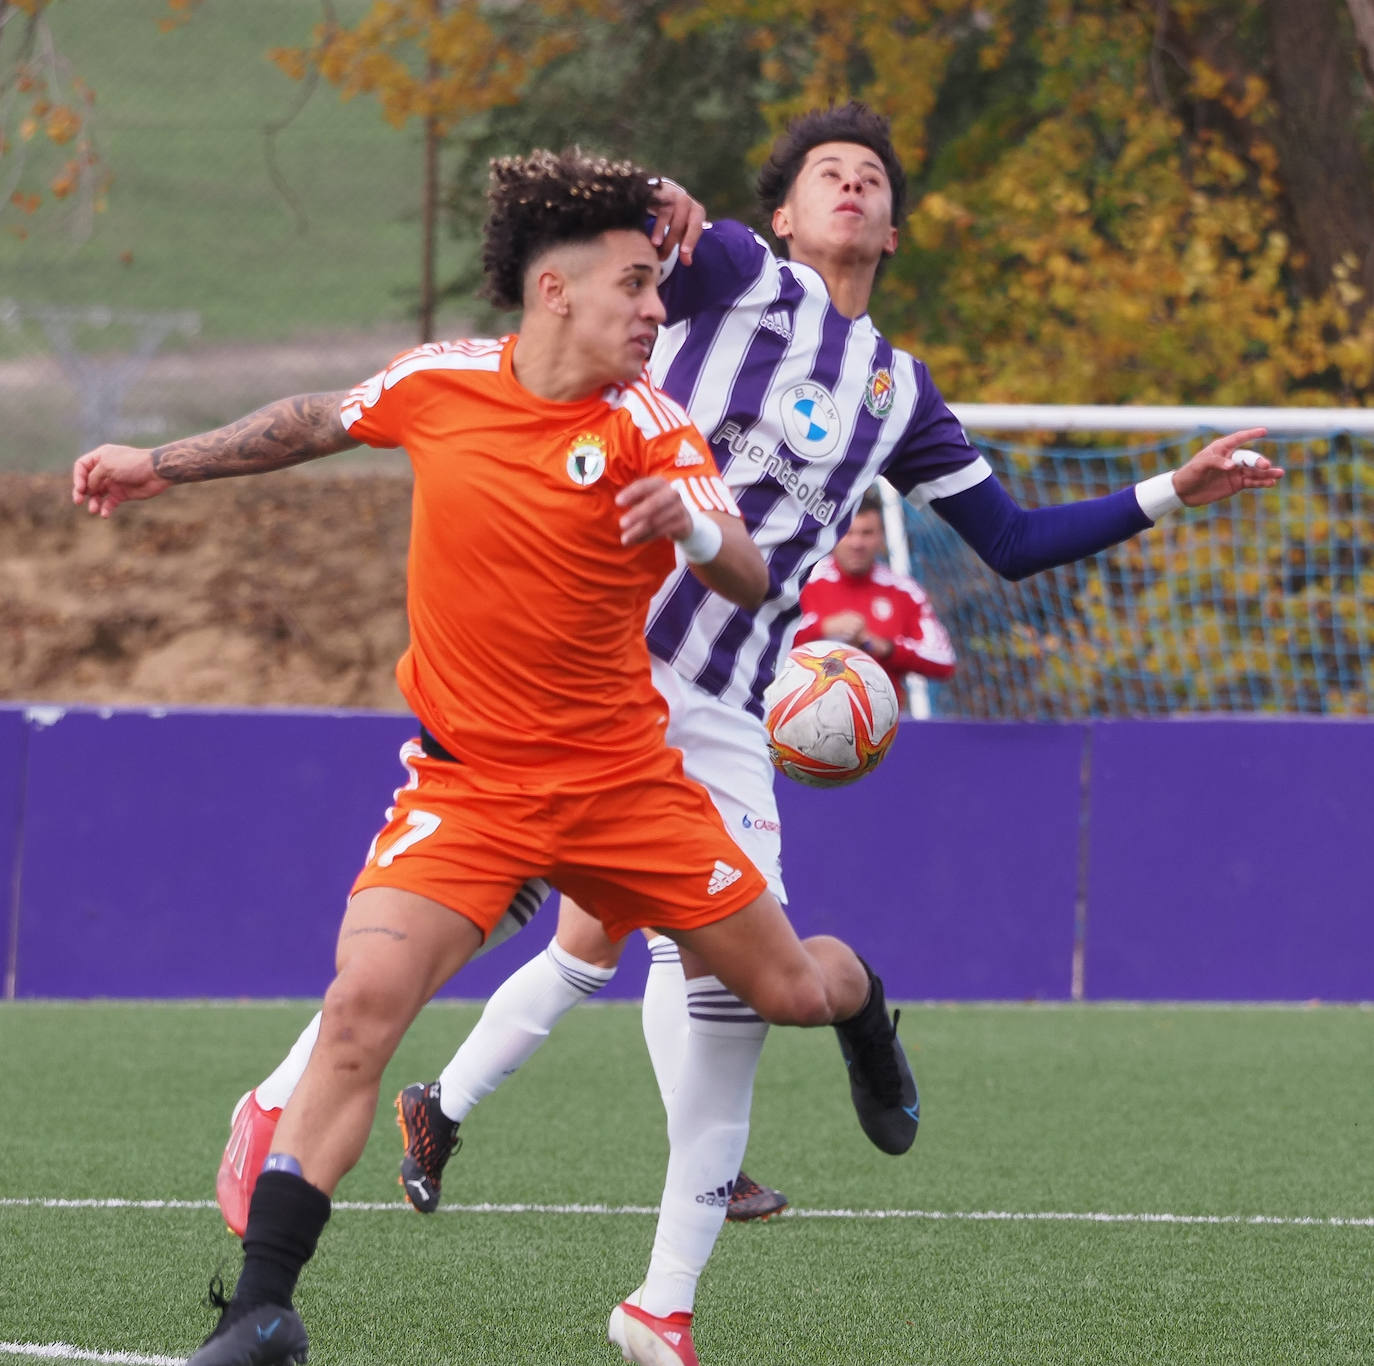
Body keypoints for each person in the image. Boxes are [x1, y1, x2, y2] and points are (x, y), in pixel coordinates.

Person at [209, 105, 1283, 1366]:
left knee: (731, 985)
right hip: (581, 663)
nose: (851, 186)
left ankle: (665, 1292)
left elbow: (1012, 541)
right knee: (471, 906)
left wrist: (1172, 492)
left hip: (718, 710)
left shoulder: (898, 391)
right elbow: (657, 221)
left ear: (893, 225)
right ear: (778, 212)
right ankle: (286, 1107)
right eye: (828, 171)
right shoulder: (730, 272)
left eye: (872, 178)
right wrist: (655, 198)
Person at [71, 147, 922, 1366]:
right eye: (635, 286)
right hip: (470, 788)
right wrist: (156, 463)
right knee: (360, 1007)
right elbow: (313, 421)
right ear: (554, 292)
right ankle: (263, 1308)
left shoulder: (653, 426)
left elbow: (742, 566)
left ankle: (866, 1005)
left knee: (788, 990)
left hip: (629, 792)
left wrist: (692, 521)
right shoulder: (440, 383)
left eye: (658, 285)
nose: (655, 308)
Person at [795, 483, 956, 700]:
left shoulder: (904, 591)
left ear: (881, 537)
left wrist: (886, 647)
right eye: (848, 533)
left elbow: (944, 660)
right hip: (801, 714)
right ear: (834, 535)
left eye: (867, 533)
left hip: (879, 724)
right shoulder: (801, 581)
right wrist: (822, 628)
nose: (857, 543)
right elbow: (762, 642)